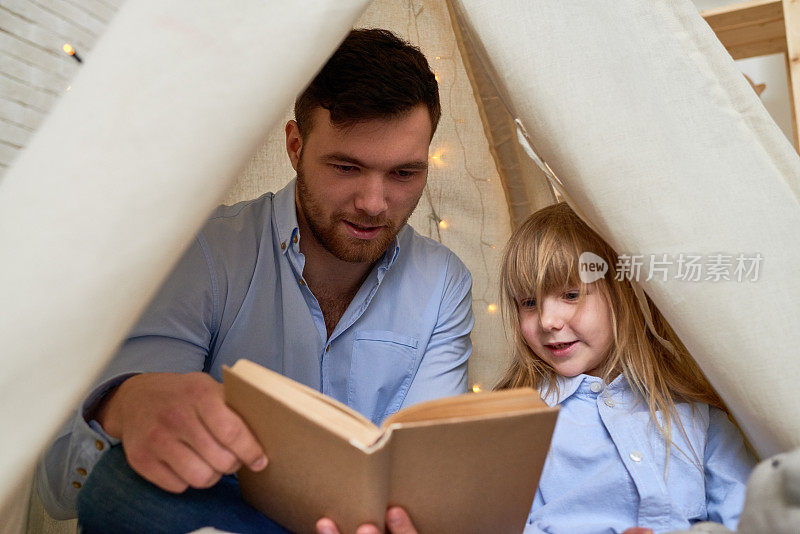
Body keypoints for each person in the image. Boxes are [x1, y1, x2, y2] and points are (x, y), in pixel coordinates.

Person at [36, 28, 474, 533]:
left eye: (403, 174)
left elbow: (422, 478)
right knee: (118, 485)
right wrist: (127, 404)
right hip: (224, 513)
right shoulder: (202, 251)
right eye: (347, 167)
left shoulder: (443, 284)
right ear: (294, 146)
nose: (374, 203)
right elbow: (73, 484)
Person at [496, 202, 755, 533]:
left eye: (571, 294)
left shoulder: (696, 416)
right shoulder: (515, 427)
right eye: (529, 303)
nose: (547, 321)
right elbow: (504, 524)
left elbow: (749, 516)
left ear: (621, 295)